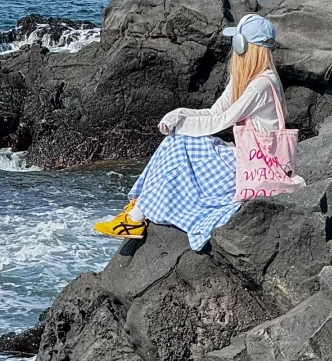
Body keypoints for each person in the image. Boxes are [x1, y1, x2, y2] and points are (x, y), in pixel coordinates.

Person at [94, 13, 284, 250]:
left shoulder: (262, 84)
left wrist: (181, 125)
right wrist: (179, 115)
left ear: (244, 45)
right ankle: (136, 212)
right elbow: (215, 112)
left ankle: (135, 215)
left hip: (259, 166)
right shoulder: (246, 79)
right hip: (248, 157)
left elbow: (221, 122)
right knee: (179, 140)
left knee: (181, 142)